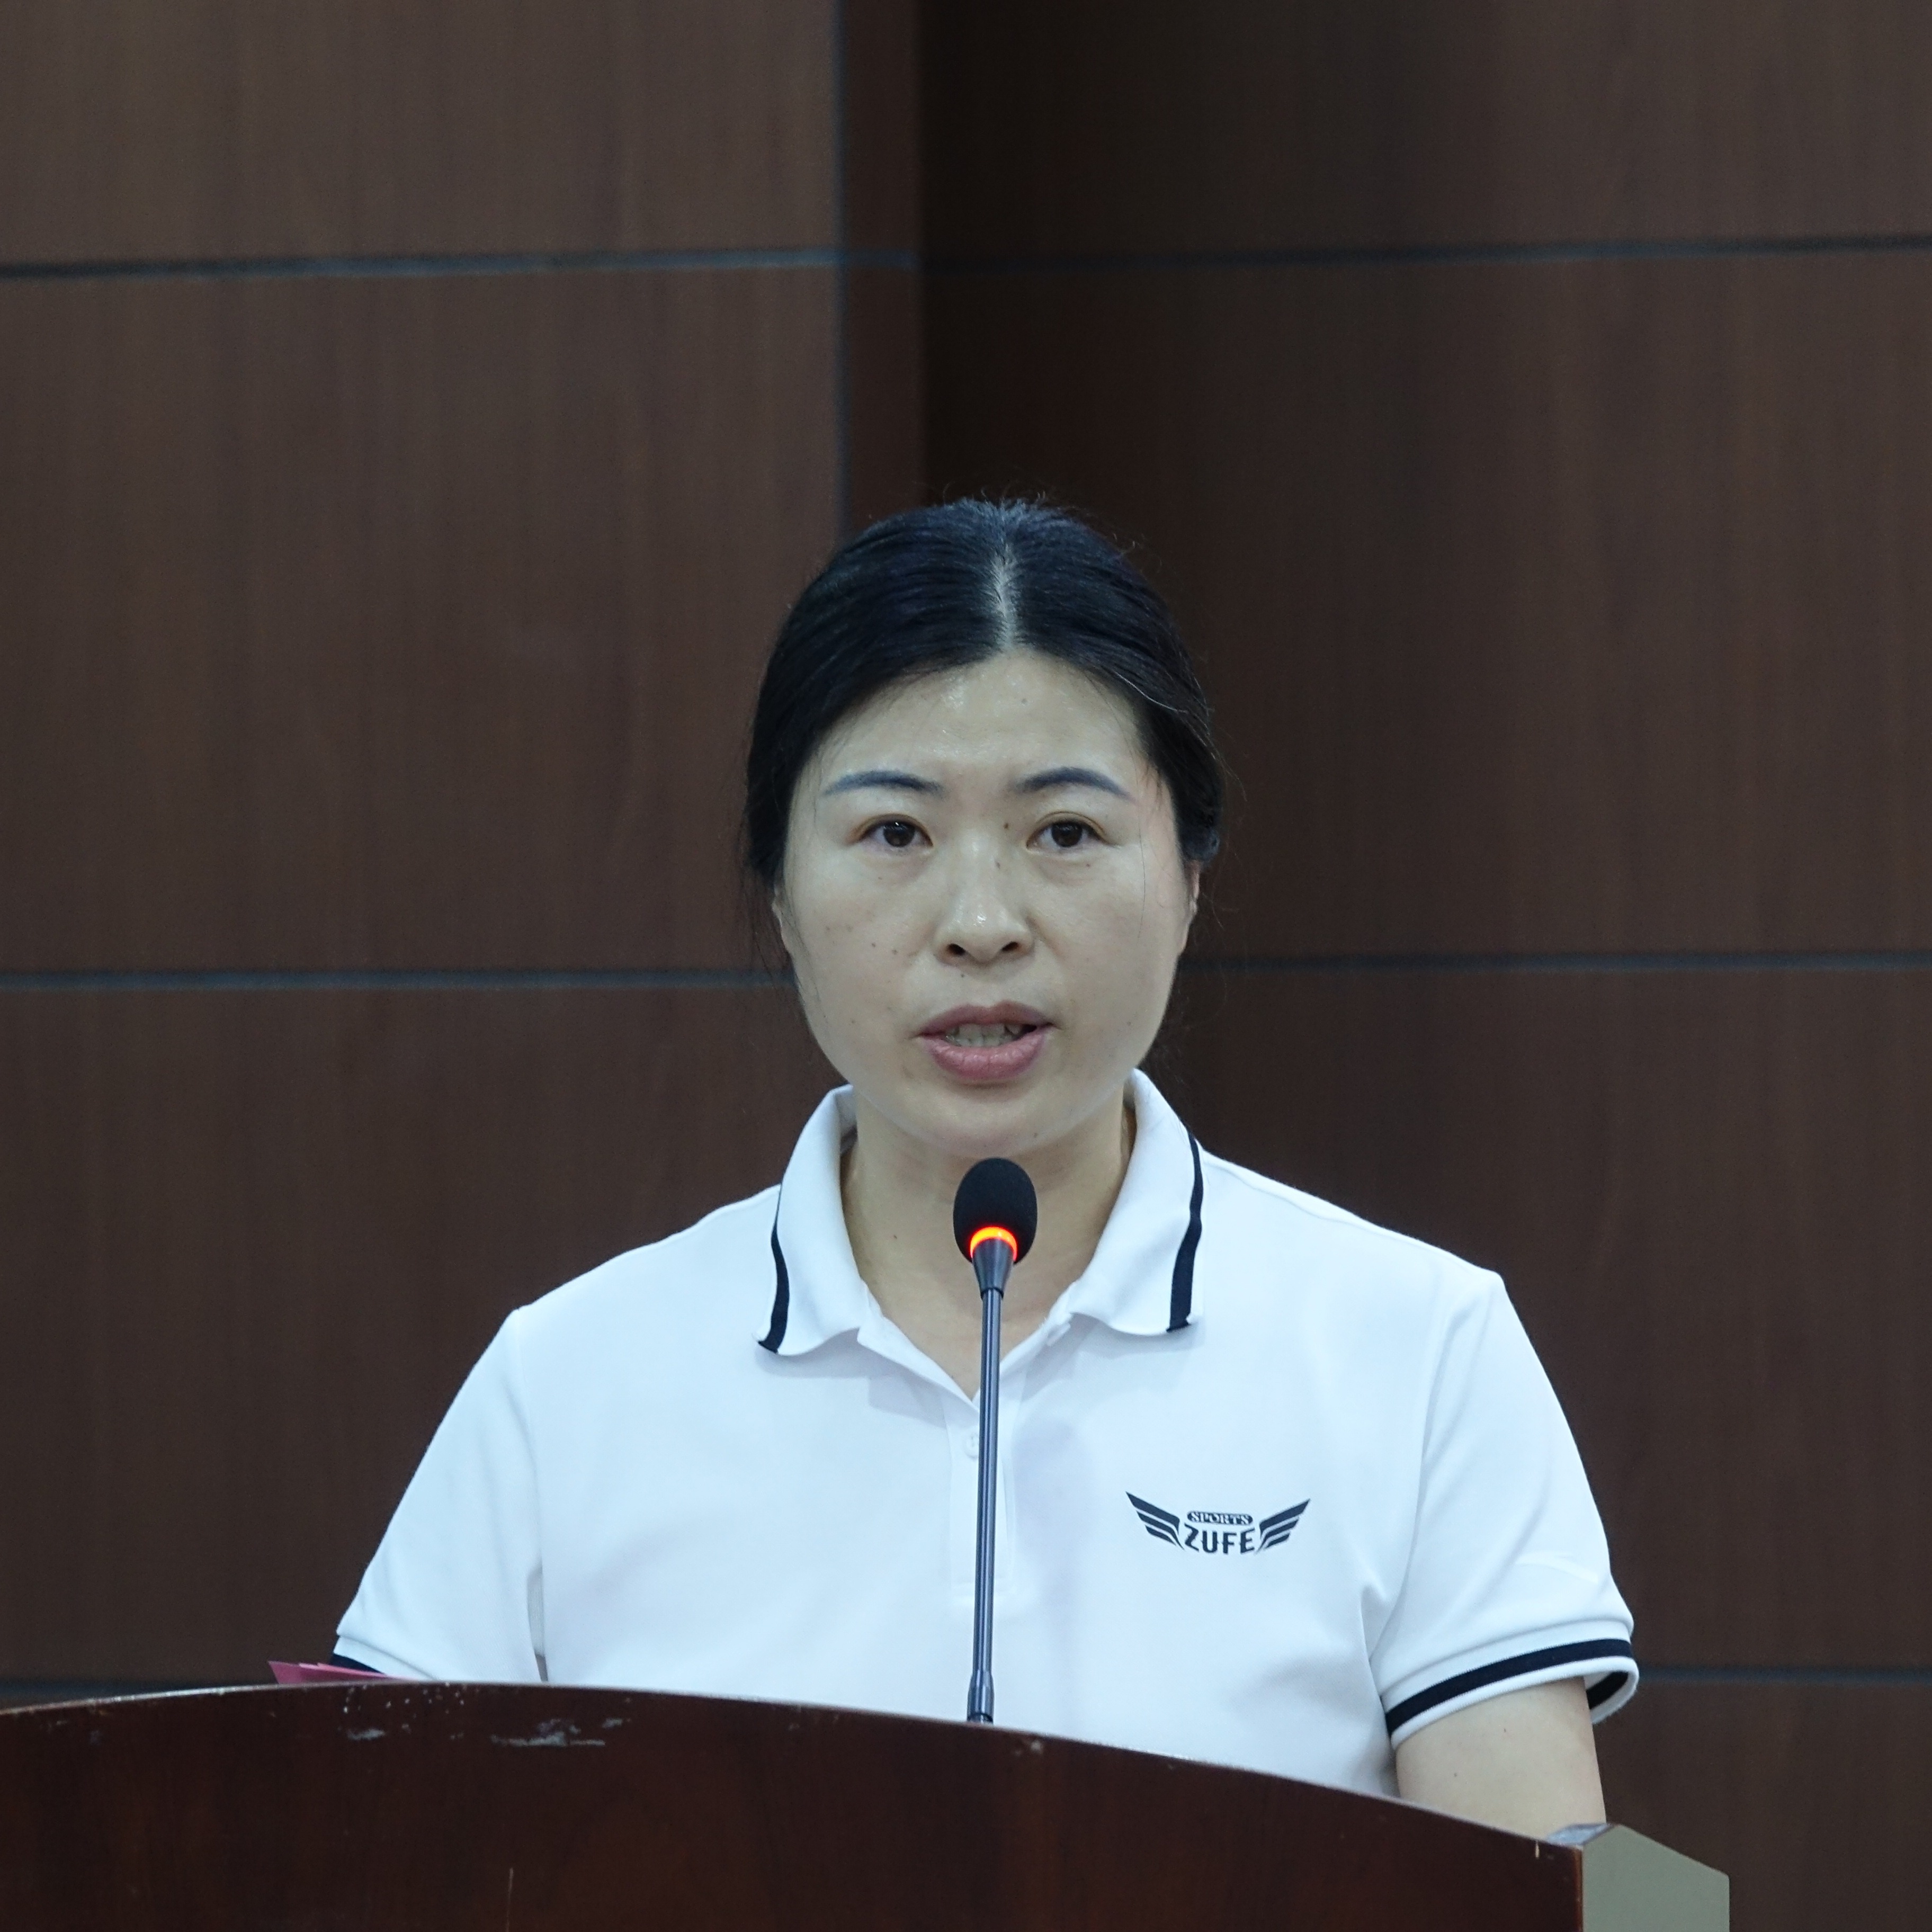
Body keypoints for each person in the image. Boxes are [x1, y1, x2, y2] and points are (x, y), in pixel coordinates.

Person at [335, 500, 1633, 1835]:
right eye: (895, 835)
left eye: (1063, 832)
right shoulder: (567, 1383)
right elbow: (352, 1856)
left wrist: (1680, 1917)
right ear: (780, 893)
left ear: (1190, 876)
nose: (980, 924)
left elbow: (1596, 1899)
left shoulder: (1420, 1348)